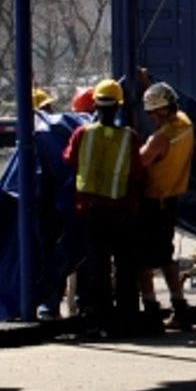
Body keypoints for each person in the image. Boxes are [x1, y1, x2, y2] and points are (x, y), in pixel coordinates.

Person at [62, 78, 142, 336]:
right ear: (118, 106)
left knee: (98, 268)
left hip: (91, 211)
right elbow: (137, 173)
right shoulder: (130, 137)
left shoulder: (82, 134)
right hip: (121, 210)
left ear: (95, 105)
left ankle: (102, 320)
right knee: (126, 267)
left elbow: (68, 159)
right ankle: (128, 319)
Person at [137, 82, 194, 330]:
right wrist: (147, 83)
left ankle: (151, 311)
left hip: (153, 202)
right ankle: (180, 308)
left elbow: (138, 161)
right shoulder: (185, 124)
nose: (151, 117)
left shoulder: (159, 139)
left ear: (161, 110)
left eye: (153, 112)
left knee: (142, 260)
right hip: (170, 201)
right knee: (166, 258)